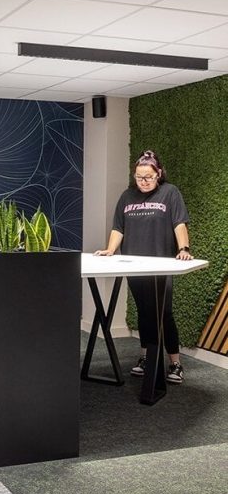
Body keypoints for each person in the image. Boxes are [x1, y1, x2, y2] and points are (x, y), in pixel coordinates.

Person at [94, 150, 193, 384]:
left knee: (164, 313)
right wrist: (110, 249)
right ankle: (146, 357)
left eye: (148, 177)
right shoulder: (127, 196)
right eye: (139, 177)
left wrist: (184, 248)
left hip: (161, 265)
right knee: (144, 311)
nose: (143, 181)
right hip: (135, 265)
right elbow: (119, 227)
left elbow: (179, 223)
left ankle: (175, 363)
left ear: (159, 174)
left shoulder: (170, 193)